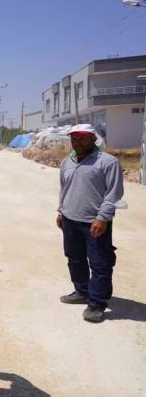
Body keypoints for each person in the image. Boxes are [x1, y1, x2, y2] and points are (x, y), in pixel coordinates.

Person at [56, 123, 124, 323]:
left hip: (94, 222)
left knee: (100, 263)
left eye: (82, 138)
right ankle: (81, 291)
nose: (77, 142)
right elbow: (64, 189)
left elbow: (114, 193)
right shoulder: (67, 162)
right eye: (74, 138)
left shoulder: (107, 162)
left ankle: (97, 303)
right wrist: (61, 211)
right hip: (70, 220)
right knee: (74, 258)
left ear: (93, 139)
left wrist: (102, 218)